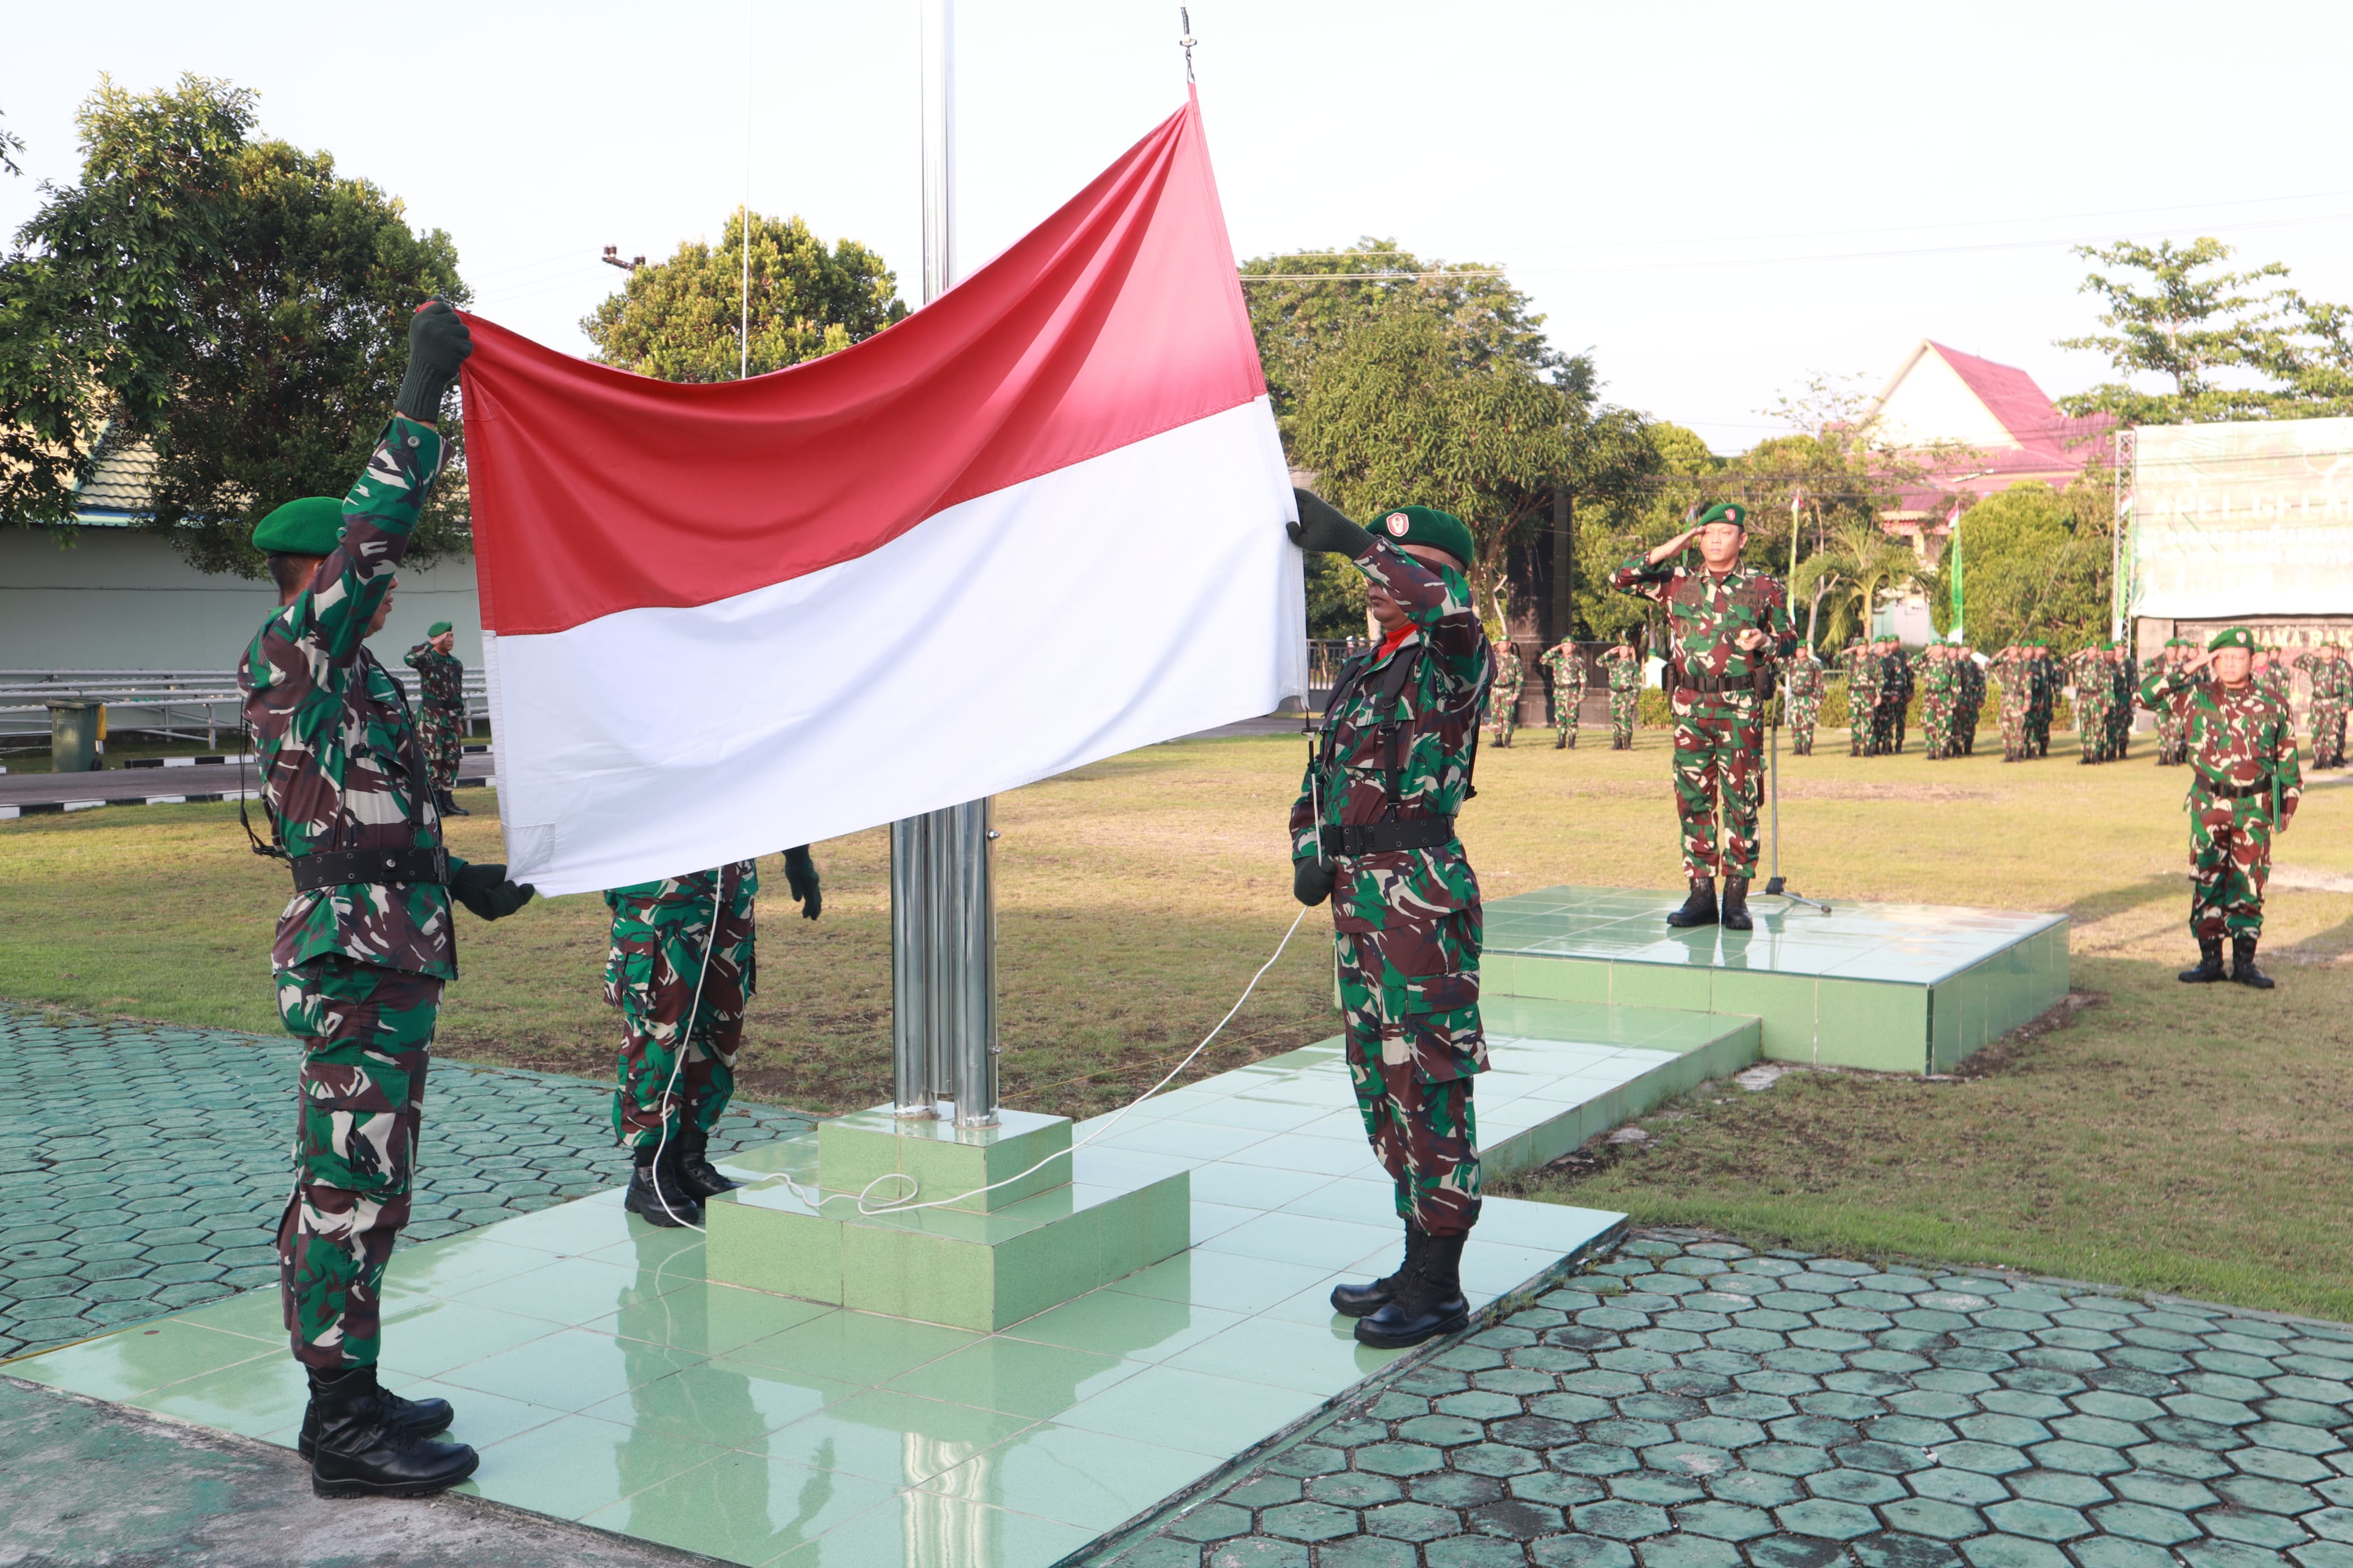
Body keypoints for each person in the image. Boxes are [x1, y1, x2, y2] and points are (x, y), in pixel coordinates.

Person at [238, 302, 535, 1499]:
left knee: (372, 1180)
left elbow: (383, 819)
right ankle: (344, 1426)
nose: (390, 582)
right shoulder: (294, 650)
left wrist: (463, 880)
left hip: (389, 948)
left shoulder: (353, 680)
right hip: (352, 962)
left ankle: (351, 1395)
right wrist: (426, 396)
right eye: (364, 569)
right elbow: (376, 531)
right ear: (316, 571)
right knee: (345, 1188)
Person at [1287, 491, 1492, 1349]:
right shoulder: (1370, 669)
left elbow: (1439, 603)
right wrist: (1307, 842)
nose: (1380, 585)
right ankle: (1413, 1257)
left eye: (1401, 570)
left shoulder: (1456, 651)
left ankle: (1440, 1284)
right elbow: (1319, 775)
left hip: (1421, 900)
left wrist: (1354, 542)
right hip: (1359, 902)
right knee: (1382, 1081)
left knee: (1431, 1084)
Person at [605, 849, 820, 1227]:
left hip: (729, 881)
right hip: (660, 886)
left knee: (719, 1024)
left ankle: (689, 1159)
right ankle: (649, 1173)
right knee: (660, 1031)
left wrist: (798, 853)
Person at [1611, 502, 1795, 931]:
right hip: (1690, 707)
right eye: (1707, 533)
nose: (1715, 540)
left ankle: (1736, 899)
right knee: (1692, 799)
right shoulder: (1676, 584)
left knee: (1742, 802)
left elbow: (1789, 641)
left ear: (1742, 539)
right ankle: (1700, 895)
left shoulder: (1764, 587)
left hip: (1740, 709)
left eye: (1724, 533)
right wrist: (1676, 544)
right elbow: (1622, 577)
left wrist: (1767, 640)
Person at [2141, 627, 2301, 988]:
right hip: (2209, 804)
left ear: (2253, 661)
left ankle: (2245, 965)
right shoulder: (2195, 697)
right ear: (2213, 660)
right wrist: (2190, 665)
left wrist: (2286, 805)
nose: (2230, 664)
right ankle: (2210, 961)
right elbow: (2144, 695)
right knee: (2208, 879)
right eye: (2223, 657)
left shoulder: (2273, 704)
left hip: (2255, 807)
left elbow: (2288, 761)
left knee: (2250, 883)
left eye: (2238, 657)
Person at [402, 622, 469, 817]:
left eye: (452, 636)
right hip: (432, 720)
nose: (451, 639)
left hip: (450, 719)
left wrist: (458, 721)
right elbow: (410, 658)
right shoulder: (428, 659)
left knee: (451, 760)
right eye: (447, 636)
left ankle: (448, 801)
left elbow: (457, 693)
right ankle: (434, 803)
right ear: (437, 638)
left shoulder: (455, 663)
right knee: (433, 761)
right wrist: (430, 644)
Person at [2295, 641, 2349, 769]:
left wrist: (2347, 703)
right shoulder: (2315, 664)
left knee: (2332, 732)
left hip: (2334, 702)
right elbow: (2297, 662)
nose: (2326, 652)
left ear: (2332, 651)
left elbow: (2347, 685)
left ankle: (2329, 759)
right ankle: (2318, 758)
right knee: (2317, 731)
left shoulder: (2340, 665)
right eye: (2323, 650)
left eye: (2328, 650)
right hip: (2318, 703)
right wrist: (2312, 653)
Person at [1540, 635, 1585, 749]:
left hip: (1573, 692)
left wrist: (1583, 693)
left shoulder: (1578, 661)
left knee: (1572, 717)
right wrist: (1555, 649)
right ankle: (1561, 741)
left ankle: (1572, 742)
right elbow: (1543, 660)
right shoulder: (1557, 659)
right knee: (1560, 717)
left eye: (1569, 646)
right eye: (1564, 646)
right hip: (1560, 692)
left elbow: (1583, 678)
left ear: (1574, 647)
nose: (1566, 648)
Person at [2070, 641, 2109, 764]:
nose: (2092, 652)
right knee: (2084, 728)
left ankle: (2096, 755)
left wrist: (2106, 704)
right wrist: (2082, 652)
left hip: (2098, 698)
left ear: (2098, 651)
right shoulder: (2080, 663)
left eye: (2094, 650)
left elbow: (2108, 686)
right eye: (2089, 650)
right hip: (2084, 698)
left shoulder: (2102, 664)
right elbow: (2066, 662)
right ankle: (2086, 755)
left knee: (2098, 728)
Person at [1784, 642, 1824, 756]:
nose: (1800, 652)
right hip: (1796, 697)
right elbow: (1780, 661)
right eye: (1798, 651)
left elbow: (1819, 683)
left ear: (1806, 651)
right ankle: (1797, 747)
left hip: (1808, 697)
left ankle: (1807, 747)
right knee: (1795, 722)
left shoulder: (1813, 665)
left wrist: (1818, 699)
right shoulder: (1792, 664)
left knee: (1808, 723)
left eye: (1802, 650)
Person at [1843, 636, 1880, 757]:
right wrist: (1851, 650)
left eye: (1864, 647)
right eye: (1859, 647)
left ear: (1867, 648)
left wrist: (1878, 696)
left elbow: (1880, 679)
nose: (1861, 650)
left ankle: (1868, 748)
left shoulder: (1873, 661)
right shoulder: (1852, 660)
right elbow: (1837, 659)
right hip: (1855, 695)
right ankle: (1856, 748)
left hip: (1868, 695)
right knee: (1855, 721)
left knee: (1868, 721)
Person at [1604, 636, 1641, 749]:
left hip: (1627, 694)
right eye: (1621, 649)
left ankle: (1627, 743)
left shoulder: (1633, 665)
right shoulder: (1613, 663)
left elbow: (1637, 682)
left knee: (1626, 718)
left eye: (1626, 649)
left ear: (1630, 650)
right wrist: (1611, 652)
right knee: (1615, 717)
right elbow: (1599, 661)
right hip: (1615, 694)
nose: (1623, 651)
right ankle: (1617, 742)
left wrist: (1635, 696)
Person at [1920, 644, 1955, 761]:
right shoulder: (1927, 663)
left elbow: (1956, 684)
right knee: (1929, 724)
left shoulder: (1950, 664)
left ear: (1945, 649)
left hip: (1944, 697)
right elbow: (1911, 664)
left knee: (1944, 725)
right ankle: (1931, 751)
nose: (1937, 650)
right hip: (1930, 698)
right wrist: (1925, 653)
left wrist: (1954, 701)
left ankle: (1942, 751)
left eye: (1940, 648)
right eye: (1935, 648)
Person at [1489, 638, 1525, 748]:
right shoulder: (1493, 657)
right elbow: (1483, 651)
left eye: (1505, 644)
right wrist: (1493, 644)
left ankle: (1508, 741)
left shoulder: (1514, 660)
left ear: (1509, 645)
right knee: (1496, 715)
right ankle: (1498, 740)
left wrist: (1517, 692)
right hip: (1495, 690)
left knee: (1508, 715)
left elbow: (1519, 677)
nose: (1502, 646)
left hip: (1508, 690)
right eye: (1500, 644)